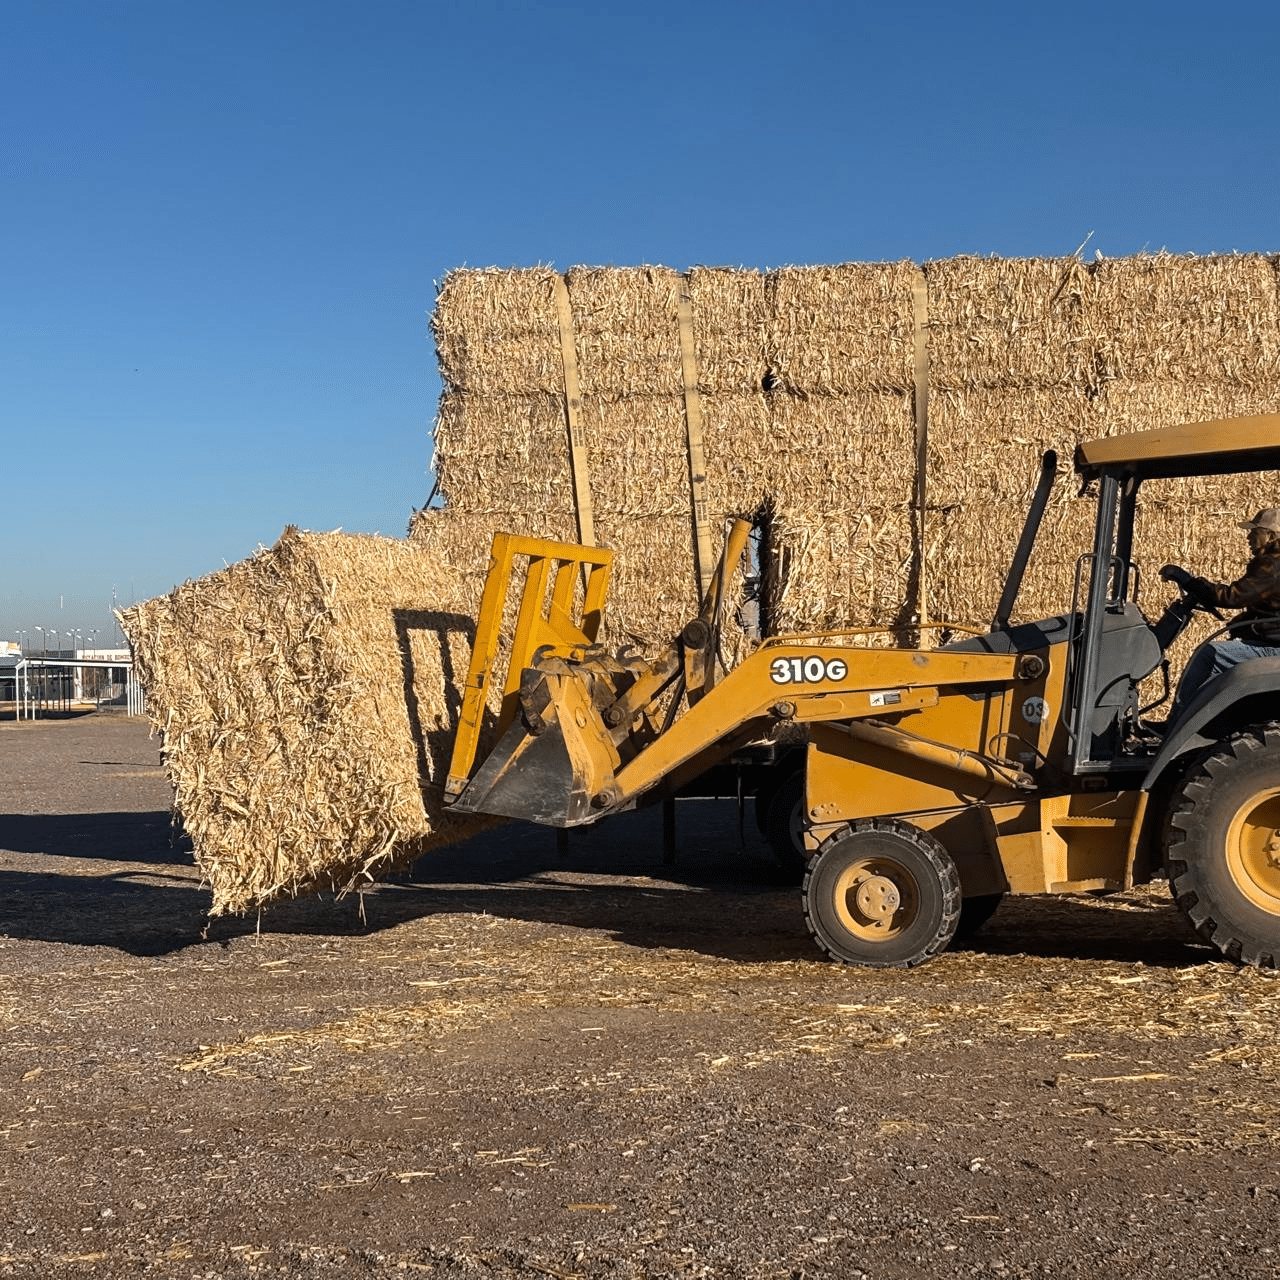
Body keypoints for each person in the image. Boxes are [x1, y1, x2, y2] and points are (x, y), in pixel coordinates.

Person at [1162, 507, 1280, 719]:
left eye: (1255, 532)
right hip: (1270, 642)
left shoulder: (1274, 564)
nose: (1249, 537)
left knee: (1208, 654)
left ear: (1271, 535)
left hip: (1273, 648)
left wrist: (1192, 583)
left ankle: (1175, 722)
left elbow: (1232, 597)